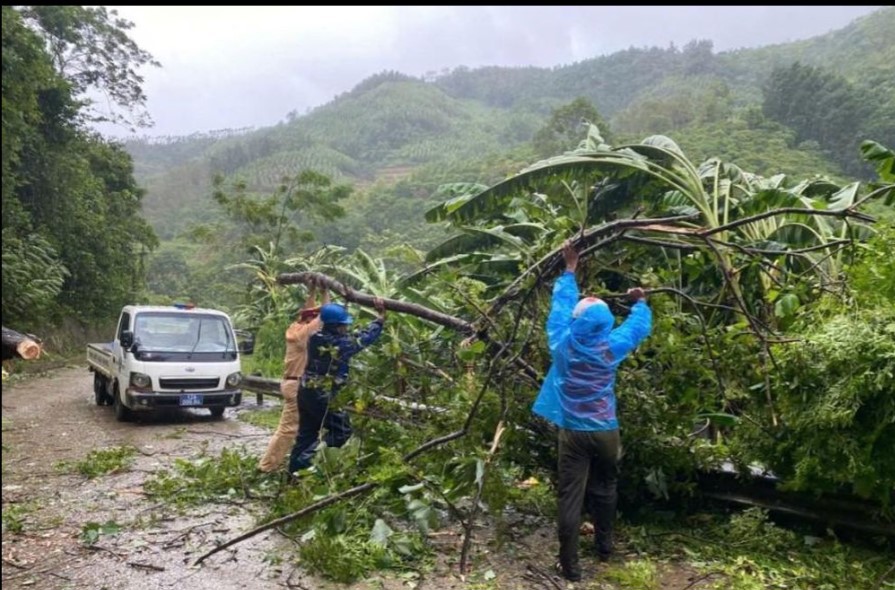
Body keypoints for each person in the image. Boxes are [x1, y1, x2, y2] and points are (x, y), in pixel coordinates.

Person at [532, 240, 652, 582]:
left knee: (570, 496)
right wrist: (639, 302)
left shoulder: (561, 342)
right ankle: (604, 547)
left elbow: (560, 305)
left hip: (573, 432)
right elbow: (636, 328)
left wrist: (570, 270)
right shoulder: (610, 347)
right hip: (606, 430)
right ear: (602, 324)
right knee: (606, 487)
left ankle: (570, 567)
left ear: (577, 322)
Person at [287, 297, 387, 474]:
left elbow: (351, 337)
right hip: (321, 392)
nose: (346, 328)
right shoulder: (337, 344)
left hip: (306, 389)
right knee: (342, 430)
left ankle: (292, 477)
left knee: (306, 434)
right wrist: (379, 320)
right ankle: (306, 461)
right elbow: (361, 340)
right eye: (343, 325)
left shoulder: (316, 337)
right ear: (336, 326)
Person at [257, 278, 329, 473]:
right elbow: (324, 315)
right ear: (308, 321)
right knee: (288, 429)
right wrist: (326, 292)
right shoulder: (303, 335)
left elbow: (312, 312)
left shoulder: (295, 328)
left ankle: (297, 464)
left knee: (304, 427)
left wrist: (314, 290)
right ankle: (267, 466)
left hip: (294, 384)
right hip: (296, 385)